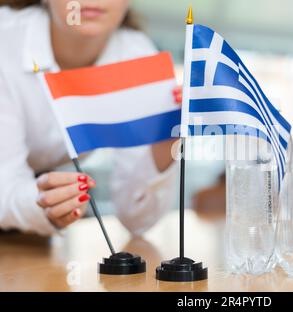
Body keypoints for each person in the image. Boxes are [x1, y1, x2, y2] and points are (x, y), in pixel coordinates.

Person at [0, 0, 182, 236]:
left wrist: (168, 136)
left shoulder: (136, 55)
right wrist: (45, 203)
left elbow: (137, 218)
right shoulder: (6, 41)